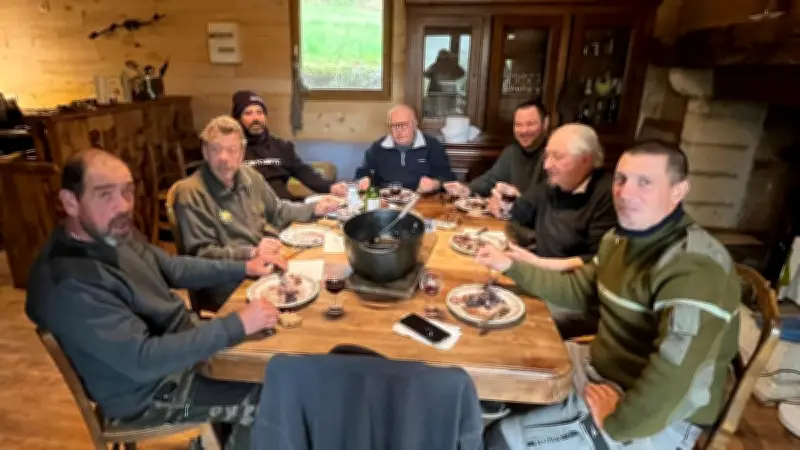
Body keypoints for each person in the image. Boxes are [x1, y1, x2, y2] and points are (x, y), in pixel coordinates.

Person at [476, 140, 741, 450]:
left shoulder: (694, 267)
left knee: (500, 440)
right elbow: (577, 291)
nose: (625, 193)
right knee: (498, 372)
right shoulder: (619, 240)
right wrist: (509, 265)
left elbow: (678, 376)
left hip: (655, 412)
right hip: (599, 369)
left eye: (645, 182)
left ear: (678, 191)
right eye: (621, 179)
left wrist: (619, 423)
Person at [25, 149, 284, 450]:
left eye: (127, 191)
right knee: (264, 397)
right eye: (104, 194)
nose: (122, 205)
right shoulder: (68, 283)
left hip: (180, 350)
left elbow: (172, 268)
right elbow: (144, 360)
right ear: (71, 201)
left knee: (272, 362)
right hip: (150, 396)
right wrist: (236, 324)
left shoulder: (112, 231)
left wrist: (244, 266)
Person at [172, 115, 340, 311]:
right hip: (229, 283)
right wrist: (251, 252)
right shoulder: (190, 192)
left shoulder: (250, 176)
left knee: (322, 283)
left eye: (231, 150)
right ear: (205, 152)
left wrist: (314, 208)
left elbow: (277, 210)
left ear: (242, 153)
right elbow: (202, 255)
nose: (223, 157)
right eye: (215, 149)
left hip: (265, 266)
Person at [503, 124, 616, 273]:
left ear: (585, 160)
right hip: (537, 271)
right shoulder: (555, 183)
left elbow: (596, 260)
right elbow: (521, 209)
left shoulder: (608, 195)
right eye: (547, 156)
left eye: (557, 157)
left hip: (568, 283)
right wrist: (505, 204)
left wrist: (537, 263)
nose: (547, 165)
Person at [231, 90, 349, 200]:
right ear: (237, 119)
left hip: (284, 207)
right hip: (247, 210)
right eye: (248, 113)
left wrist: (330, 187)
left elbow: (304, 172)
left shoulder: (282, 146)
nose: (255, 118)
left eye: (259, 112)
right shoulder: (231, 149)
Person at [444, 100, 549, 199]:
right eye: (518, 125)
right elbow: (491, 179)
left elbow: (549, 202)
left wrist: (519, 201)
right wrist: (467, 189)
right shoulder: (512, 152)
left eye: (530, 124)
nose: (524, 130)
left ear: (545, 123)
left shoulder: (553, 155)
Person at [354, 104, 456, 193]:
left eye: (405, 125)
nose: (399, 131)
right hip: (387, 201)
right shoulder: (377, 147)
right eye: (394, 126)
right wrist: (364, 181)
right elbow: (362, 174)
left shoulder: (432, 145)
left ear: (415, 124)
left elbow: (447, 178)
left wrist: (434, 184)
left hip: (423, 199)